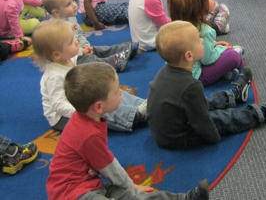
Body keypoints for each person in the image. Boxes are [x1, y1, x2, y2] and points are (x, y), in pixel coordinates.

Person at [46, 62, 210, 200]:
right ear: (98, 106)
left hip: (90, 185)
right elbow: (108, 166)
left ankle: (184, 198)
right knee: (130, 192)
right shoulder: (87, 133)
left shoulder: (88, 118)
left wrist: (130, 189)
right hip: (72, 194)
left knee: (135, 195)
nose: (121, 93)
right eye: (117, 92)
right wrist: (129, 186)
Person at [147, 21, 266, 149]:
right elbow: (202, 122)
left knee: (206, 101)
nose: (202, 40)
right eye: (198, 40)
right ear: (189, 56)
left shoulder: (164, 72)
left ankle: (234, 96)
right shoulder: (191, 86)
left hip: (166, 130)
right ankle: (261, 113)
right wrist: (213, 136)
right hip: (179, 137)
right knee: (224, 117)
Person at [32, 20, 146, 132]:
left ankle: (144, 105)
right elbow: (59, 105)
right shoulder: (54, 76)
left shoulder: (66, 58)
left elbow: (76, 58)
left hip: (79, 98)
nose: (76, 42)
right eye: (71, 42)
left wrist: (82, 51)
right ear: (57, 55)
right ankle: (134, 115)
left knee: (111, 92)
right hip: (64, 117)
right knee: (100, 108)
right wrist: (84, 110)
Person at [42, 0, 137, 72]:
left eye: (73, 0)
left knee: (98, 50)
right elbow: (63, 51)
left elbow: (79, 33)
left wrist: (85, 45)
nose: (75, 5)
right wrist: (80, 51)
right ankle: (113, 62)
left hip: (78, 49)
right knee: (89, 60)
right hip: (71, 58)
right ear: (56, 12)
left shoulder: (71, 18)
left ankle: (122, 49)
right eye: (68, 4)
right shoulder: (55, 30)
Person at [167, 0, 243, 86]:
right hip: (195, 78)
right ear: (199, 8)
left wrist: (215, 45)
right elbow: (208, 59)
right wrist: (222, 49)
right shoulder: (205, 30)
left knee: (215, 46)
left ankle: (224, 72)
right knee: (233, 56)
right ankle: (228, 65)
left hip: (175, 73)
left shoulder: (178, 27)